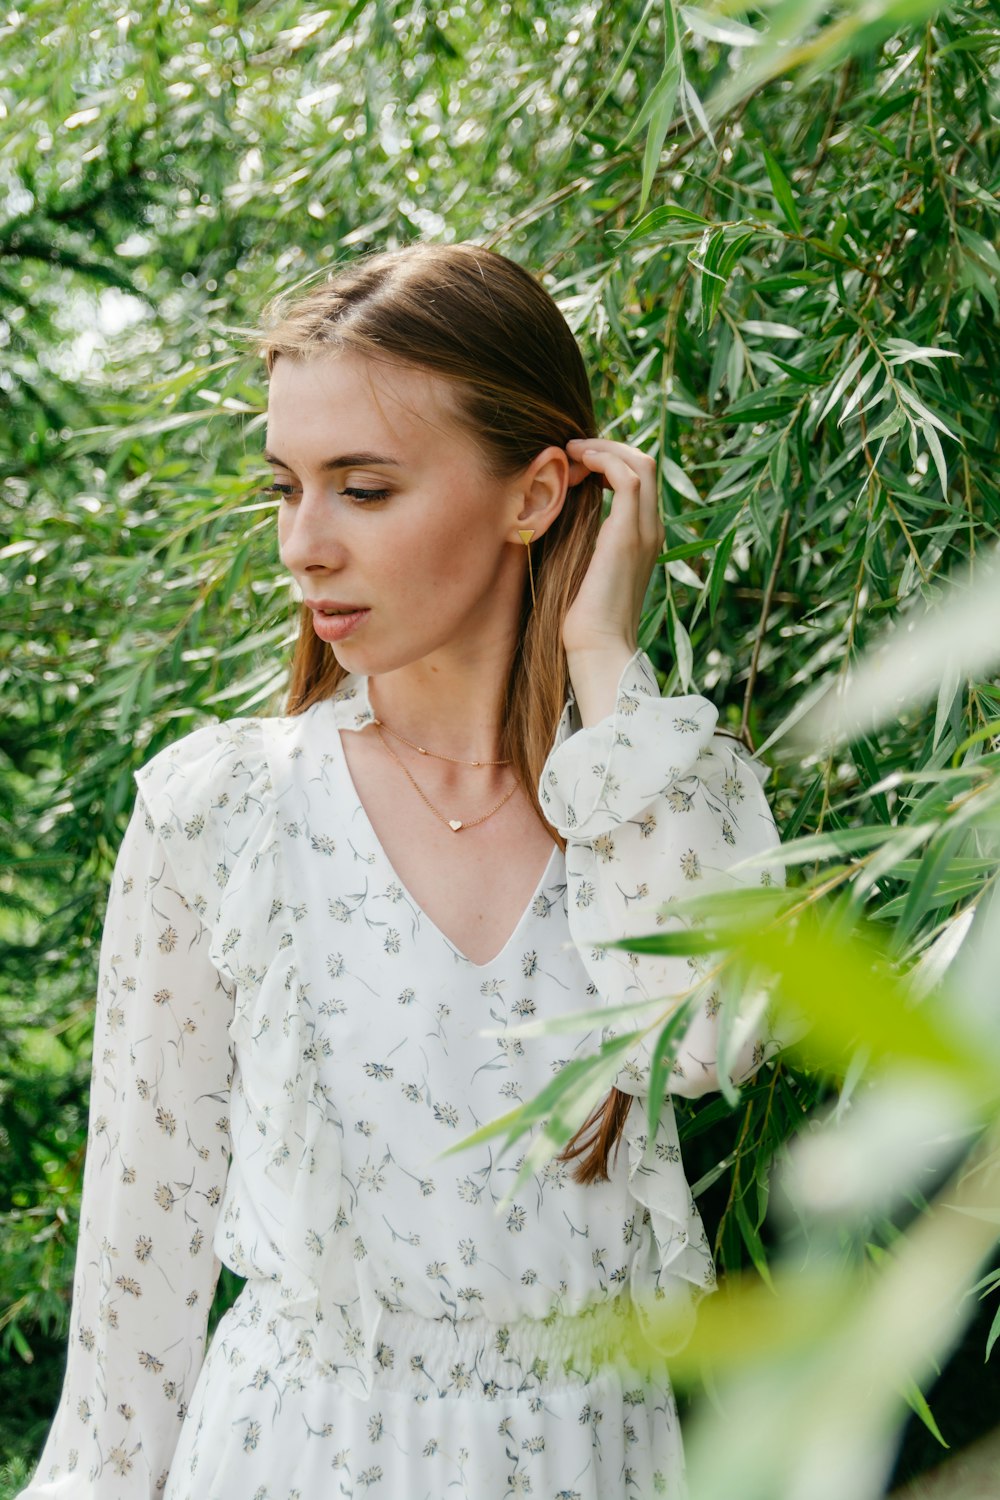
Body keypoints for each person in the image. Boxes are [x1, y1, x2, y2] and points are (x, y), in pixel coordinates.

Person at [20, 243, 782, 1500]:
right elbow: (134, 1288)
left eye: (362, 490)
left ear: (534, 495)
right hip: (288, 1460)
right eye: (286, 490)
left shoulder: (648, 792)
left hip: (587, 1464)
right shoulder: (225, 812)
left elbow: (713, 1034)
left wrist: (604, 656)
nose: (302, 548)